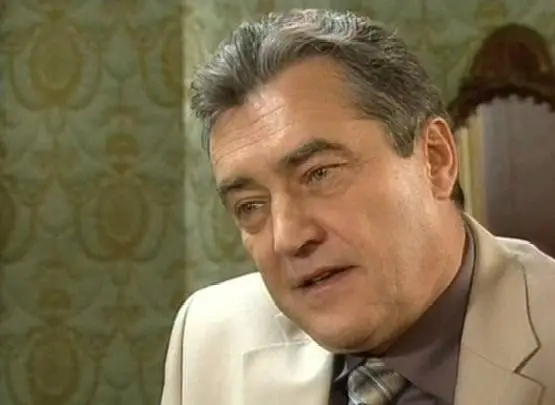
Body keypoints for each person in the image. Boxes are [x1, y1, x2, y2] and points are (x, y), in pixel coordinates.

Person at [161, 9, 555, 405]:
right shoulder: (211, 338)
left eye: (319, 174)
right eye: (250, 206)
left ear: (435, 160)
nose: (289, 237)